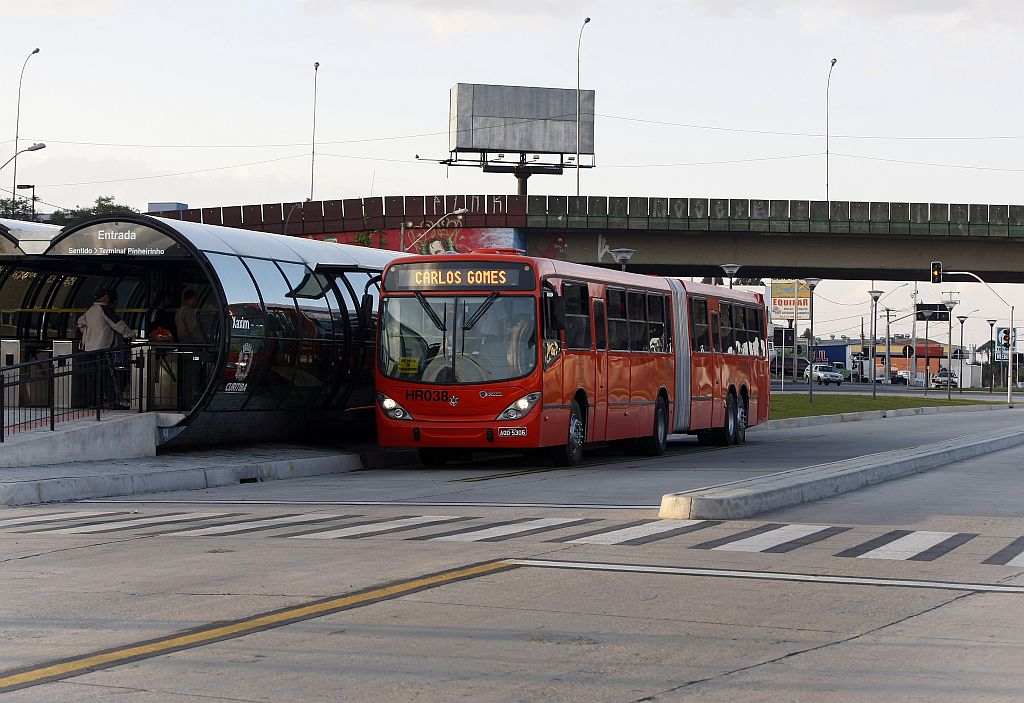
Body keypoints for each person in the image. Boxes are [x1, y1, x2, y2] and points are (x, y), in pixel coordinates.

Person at [76, 290, 135, 407]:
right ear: (106, 298)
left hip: (89, 350)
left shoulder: (90, 310)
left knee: (93, 377)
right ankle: (114, 401)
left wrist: (89, 333)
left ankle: (93, 403)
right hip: (103, 350)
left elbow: (80, 322)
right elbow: (118, 324)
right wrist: (131, 334)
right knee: (109, 376)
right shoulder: (104, 309)